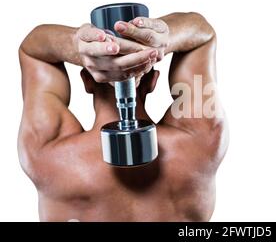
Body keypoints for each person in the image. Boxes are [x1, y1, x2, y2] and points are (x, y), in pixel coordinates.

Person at [18, 11, 228, 221]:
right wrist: (159, 43)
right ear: (153, 80)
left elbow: (33, 51)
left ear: (87, 81)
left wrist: (77, 46)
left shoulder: (50, 155)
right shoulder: (200, 141)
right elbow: (202, 36)